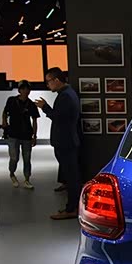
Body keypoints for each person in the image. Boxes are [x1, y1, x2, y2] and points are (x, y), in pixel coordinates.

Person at [35, 67, 81, 220]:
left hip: (66, 141)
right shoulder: (67, 94)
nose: (47, 85)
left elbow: (58, 117)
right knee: (71, 177)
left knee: (72, 178)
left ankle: (72, 209)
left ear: (56, 80)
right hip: (67, 140)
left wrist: (45, 107)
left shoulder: (66, 96)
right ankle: (72, 207)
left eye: (48, 81)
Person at [1, 80, 39, 189]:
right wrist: (4, 121)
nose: (25, 91)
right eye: (23, 89)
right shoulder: (11, 100)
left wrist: (34, 136)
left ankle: (27, 179)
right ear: (19, 90)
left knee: (27, 158)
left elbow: (34, 121)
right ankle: (12, 174)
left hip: (26, 135)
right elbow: (5, 112)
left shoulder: (31, 104)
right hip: (13, 134)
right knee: (14, 157)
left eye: (27, 89)